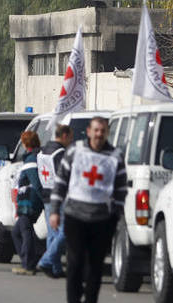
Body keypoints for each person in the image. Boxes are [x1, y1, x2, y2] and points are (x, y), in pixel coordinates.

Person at [50, 117, 127, 303]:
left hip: (102, 219)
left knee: (95, 266)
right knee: (75, 263)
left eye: (103, 130)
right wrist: (54, 210)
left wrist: (116, 215)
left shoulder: (115, 155)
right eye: (96, 130)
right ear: (89, 131)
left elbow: (121, 189)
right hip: (75, 215)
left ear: (107, 132)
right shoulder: (75, 151)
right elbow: (61, 181)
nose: (99, 134)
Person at [36, 124, 74, 278]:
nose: (71, 140)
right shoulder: (60, 153)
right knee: (66, 230)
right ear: (64, 135)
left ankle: (55, 268)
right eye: (70, 137)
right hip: (58, 197)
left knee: (53, 233)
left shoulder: (42, 151)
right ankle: (46, 261)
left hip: (46, 195)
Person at [11, 131, 44, 276]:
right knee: (17, 232)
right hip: (27, 202)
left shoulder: (31, 160)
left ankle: (28, 265)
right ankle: (35, 258)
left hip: (29, 203)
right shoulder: (34, 157)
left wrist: (45, 200)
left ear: (25, 144)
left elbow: (36, 184)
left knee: (24, 232)